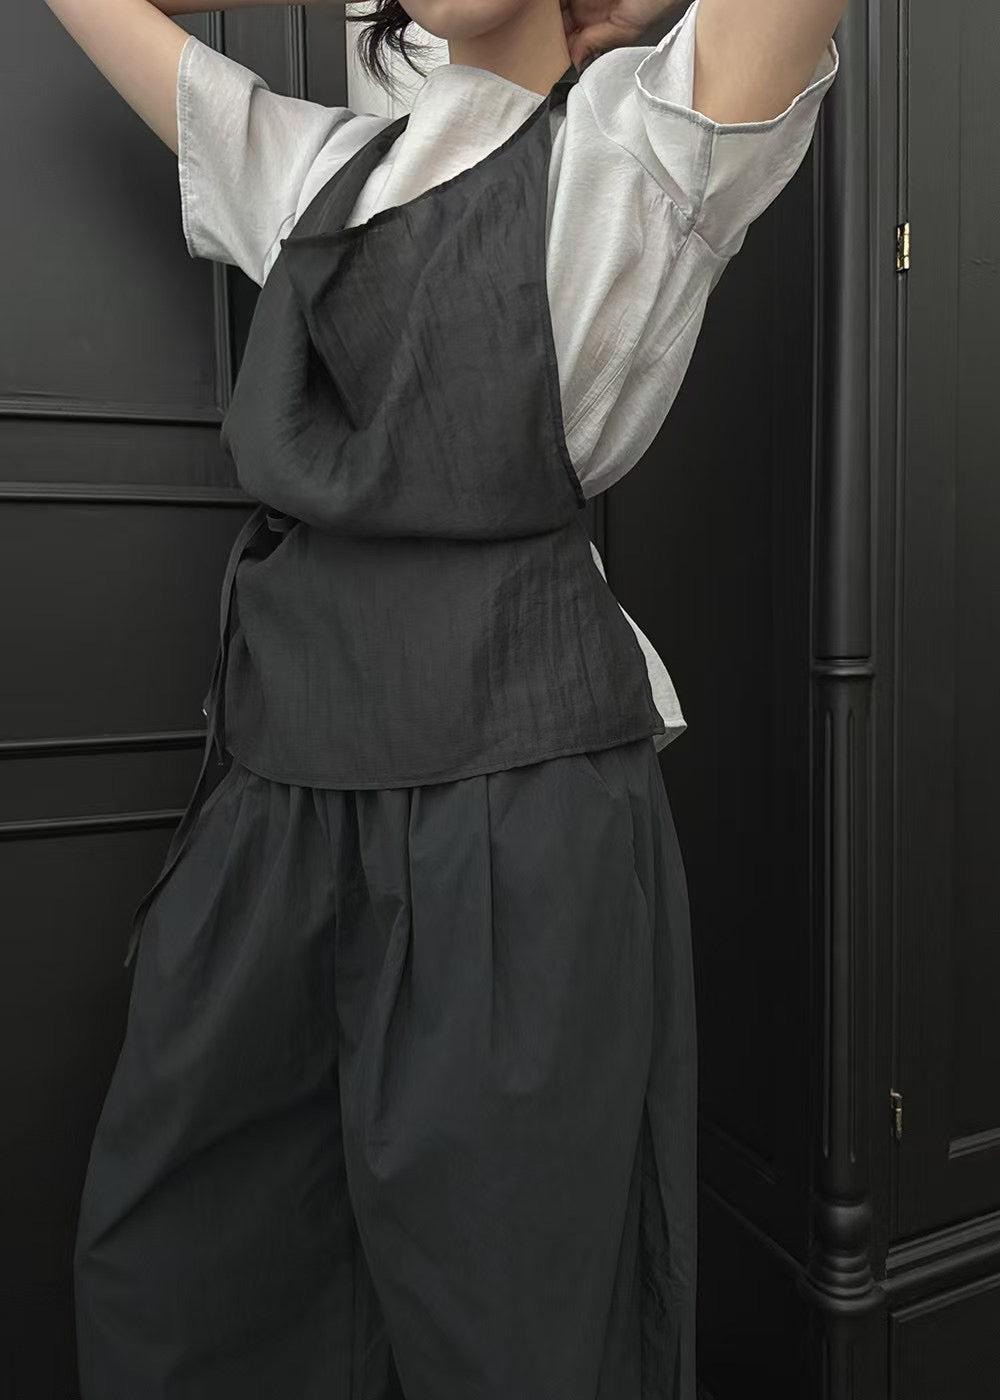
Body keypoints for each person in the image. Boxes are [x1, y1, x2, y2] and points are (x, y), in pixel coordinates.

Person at [47, 0, 841, 1395]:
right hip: (269, 814)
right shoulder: (311, 171)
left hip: (512, 813)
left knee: (518, 1317)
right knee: (193, 1290)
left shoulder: (638, 153)